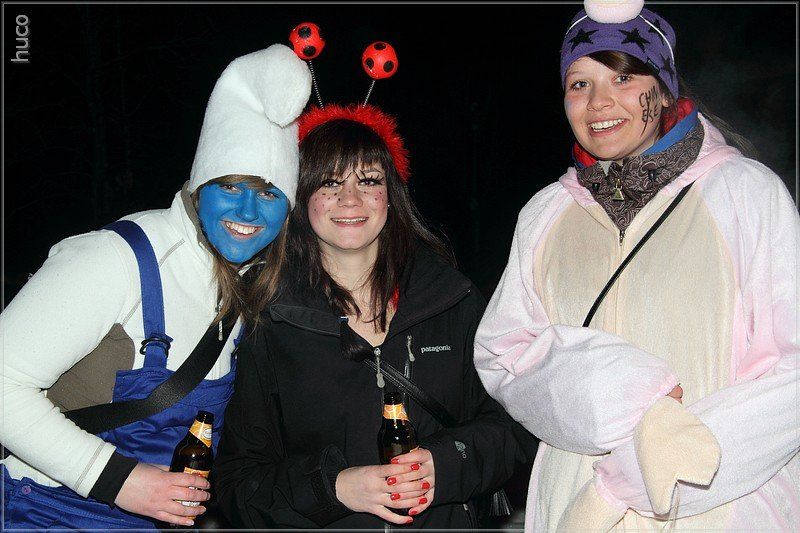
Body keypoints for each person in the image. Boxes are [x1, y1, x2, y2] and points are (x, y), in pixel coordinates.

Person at [474, 0, 799, 530]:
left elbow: (793, 371)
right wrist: (616, 390)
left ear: (664, 89)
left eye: (623, 78)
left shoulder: (745, 194)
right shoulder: (544, 215)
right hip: (578, 510)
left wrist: (658, 466)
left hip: (717, 510)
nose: (599, 101)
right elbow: (503, 352)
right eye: (579, 84)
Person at [1, 44, 311, 529]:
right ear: (200, 186)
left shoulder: (248, 281)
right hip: (45, 513)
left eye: (269, 194)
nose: (249, 212)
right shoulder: (117, 257)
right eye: (231, 186)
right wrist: (116, 479)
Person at [214, 103, 535, 529]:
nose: (350, 199)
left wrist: (446, 463)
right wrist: (334, 489)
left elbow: (514, 426)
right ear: (302, 196)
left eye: (369, 181)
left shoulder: (452, 299)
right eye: (329, 182)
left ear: (391, 195)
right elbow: (237, 483)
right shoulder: (269, 321)